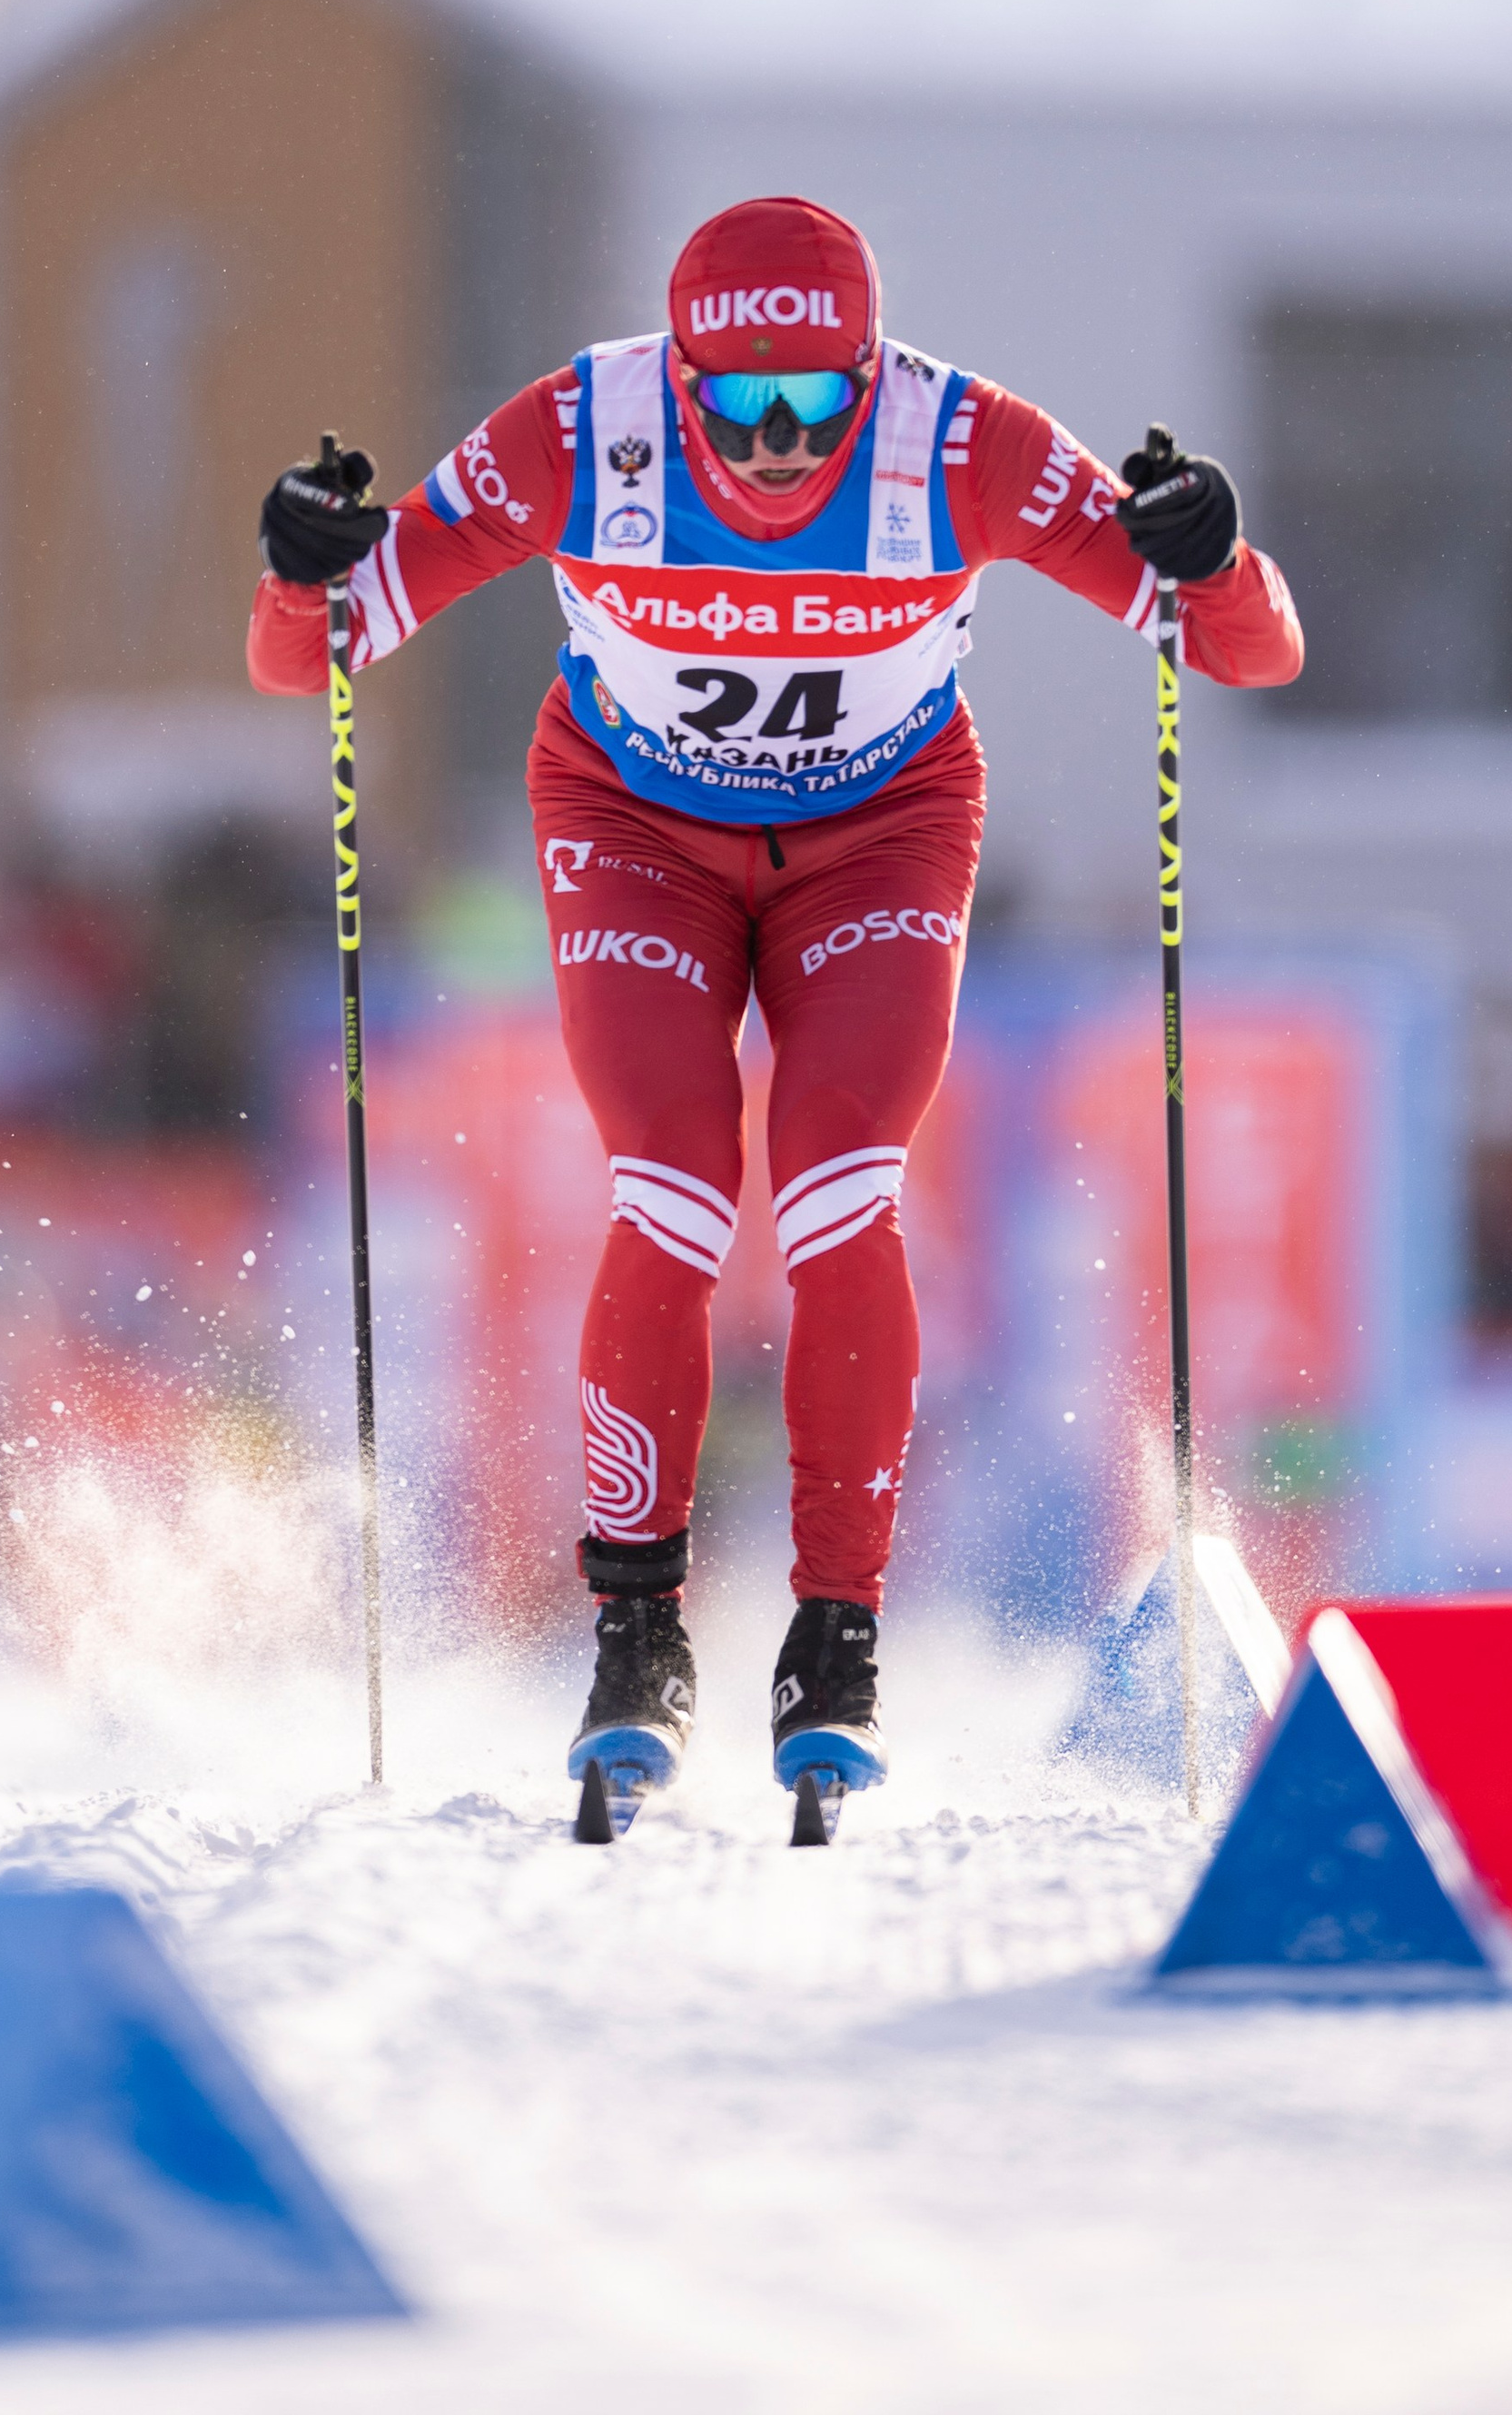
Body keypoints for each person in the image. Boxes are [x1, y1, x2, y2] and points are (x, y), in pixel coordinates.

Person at [248, 195, 1303, 1813]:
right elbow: (313, 651)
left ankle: (836, 1641)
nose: (780, 442)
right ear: (678, 379)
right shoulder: (577, 432)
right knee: (669, 1178)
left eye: (820, 400)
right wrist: (299, 563)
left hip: (877, 836)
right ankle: (638, 1632)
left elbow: (1246, 651)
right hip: (633, 830)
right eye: (739, 405)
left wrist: (1212, 550)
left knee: (838, 1179)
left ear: (872, 374)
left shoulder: (962, 441)